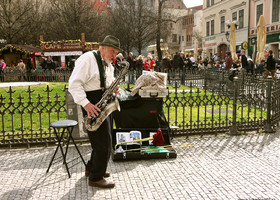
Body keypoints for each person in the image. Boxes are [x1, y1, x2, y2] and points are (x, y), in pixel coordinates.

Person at [69, 35, 122, 188]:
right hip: (92, 102)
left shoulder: (107, 62)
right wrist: (86, 104)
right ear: (102, 47)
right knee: (104, 143)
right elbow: (74, 84)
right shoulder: (87, 59)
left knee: (101, 140)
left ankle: (91, 167)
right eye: (112, 51)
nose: (114, 56)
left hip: (103, 101)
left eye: (115, 52)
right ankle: (96, 177)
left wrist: (113, 87)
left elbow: (108, 80)